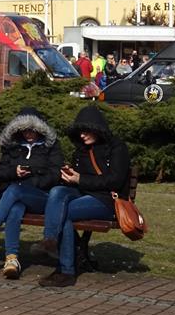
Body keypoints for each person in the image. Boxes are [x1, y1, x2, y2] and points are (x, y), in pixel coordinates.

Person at [36, 105, 130, 287]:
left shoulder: (117, 148)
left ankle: (66, 269)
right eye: (79, 132)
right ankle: (50, 241)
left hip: (106, 200)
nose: (82, 136)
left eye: (85, 131)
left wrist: (80, 179)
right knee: (57, 192)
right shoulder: (82, 150)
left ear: (96, 128)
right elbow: (80, 179)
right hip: (84, 193)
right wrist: (70, 176)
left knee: (65, 212)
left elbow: (114, 181)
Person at [0, 107, 62, 279]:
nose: (28, 134)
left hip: (40, 197)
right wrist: (14, 172)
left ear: (40, 129)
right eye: (24, 130)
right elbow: (1, 174)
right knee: (14, 209)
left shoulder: (50, 147)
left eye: (32, 130)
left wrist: (33, 179)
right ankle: (12, 259)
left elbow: (55, 175)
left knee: (15, 189)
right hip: (14, 198)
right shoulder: (13, 147)